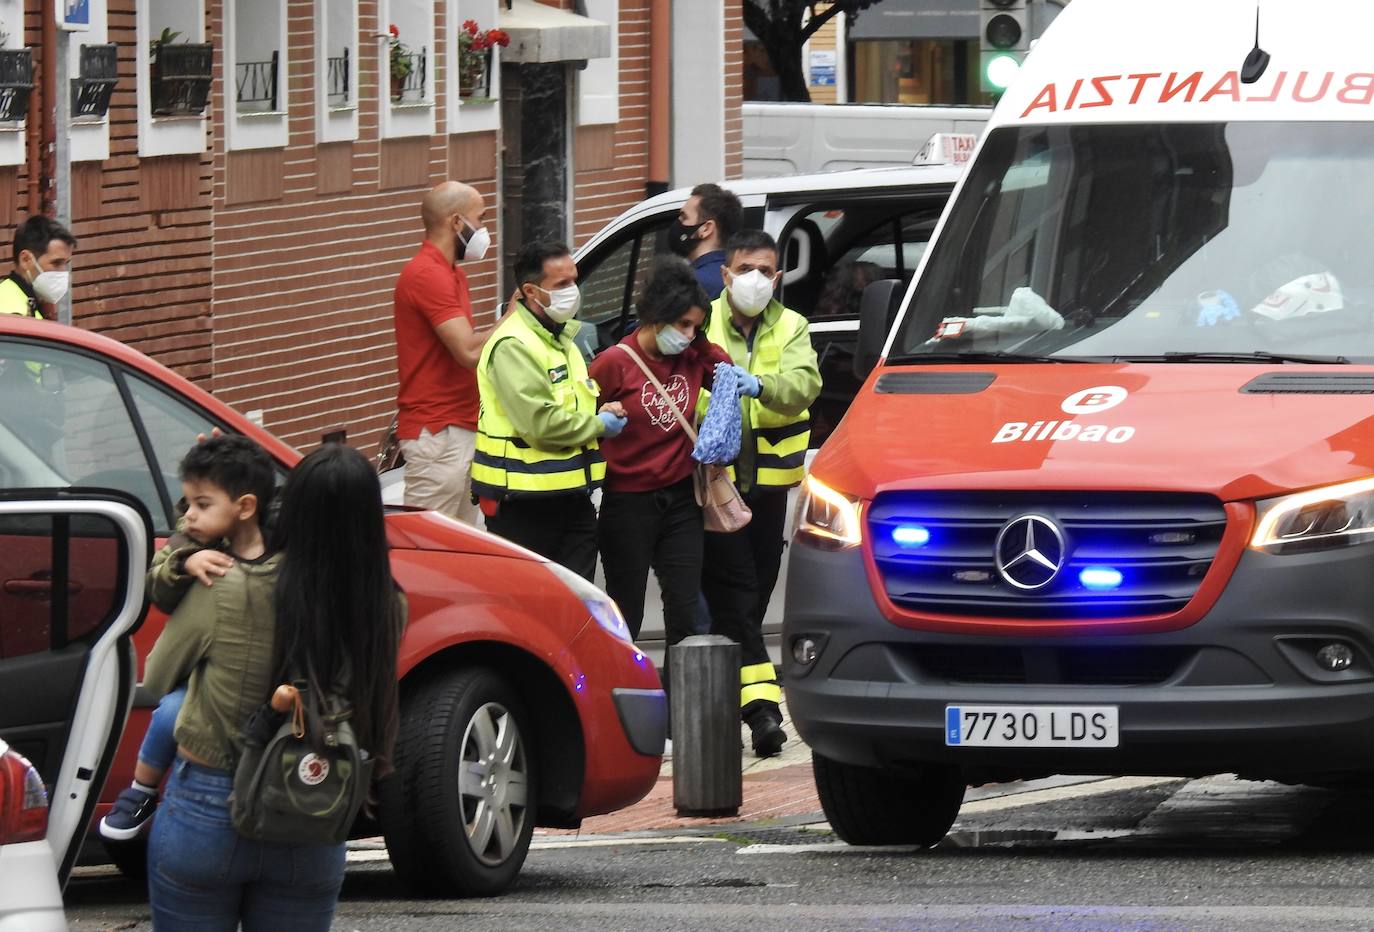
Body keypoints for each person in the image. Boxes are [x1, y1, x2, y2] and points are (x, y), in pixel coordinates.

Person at [144, 443, 405, 930]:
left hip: (210, 805)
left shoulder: (227, 581)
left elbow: (157, 678)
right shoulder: (384, 604)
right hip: (312, 804)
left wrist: (187, 547)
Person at [98, 435, 273, 841]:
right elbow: (158, 585)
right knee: (170, 710)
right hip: (194, 675)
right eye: (188, 504)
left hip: (242, 687)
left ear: (246, 506)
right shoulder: (195, 542)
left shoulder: (275, 555)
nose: (189, 515)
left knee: (173, 711)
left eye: (202, 504)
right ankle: (141, 792)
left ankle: (144, 790)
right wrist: (184, 561)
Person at [701, 230, 822, 758]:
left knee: (748, 598)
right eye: (745, 268)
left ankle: (741, 704)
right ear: (726, 274)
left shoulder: (792, 326)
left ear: (778, 277)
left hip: (770, 485)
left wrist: (761, 386)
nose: (756, 279)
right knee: (739, 596)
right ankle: (764, 712)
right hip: (718, 485)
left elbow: (805, 384)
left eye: (766, 271)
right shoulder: (702, 321)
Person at [588, 256, 732, 654]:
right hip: (628, 502)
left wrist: (701, 345)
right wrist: (602, 418)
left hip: (682, 499)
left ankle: (679, 709)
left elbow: (726, 376)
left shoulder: (691, 356)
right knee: (626, 614)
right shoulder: (615, 362)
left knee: (685, 613)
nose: (688, 334)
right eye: (683, 324)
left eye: (696, 326)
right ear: (656, 315)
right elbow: (584, 418)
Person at [472, 242, 626, 581]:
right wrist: (598, 424)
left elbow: (568, 404)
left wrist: (601, 409)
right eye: (561, 285)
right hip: (523, 507)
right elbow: (540, 423)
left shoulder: (562, 340)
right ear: (531, 291)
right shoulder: (513, 344)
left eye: (574, 280)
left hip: (570, 499)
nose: (572, 290)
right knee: (530, 612)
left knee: (577, 609)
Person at [393, 180, 498, 525]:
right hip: (438, 433)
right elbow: (468, 352)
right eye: (479, 219)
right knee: (428, 546)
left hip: (459, 427)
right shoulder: (426, 274)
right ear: (456, 222)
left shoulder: (452, 275)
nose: (483, 229)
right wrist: (514, 316)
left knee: (463, 552)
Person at [669, 183, 743, 301]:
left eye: (684, 217)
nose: (678, 222)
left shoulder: (692, 283)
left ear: (706, 228)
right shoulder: (737, 275)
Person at [0, 215, 75, 319]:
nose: (63, 272)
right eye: (56, 263)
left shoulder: (19, 297)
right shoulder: (14, 315)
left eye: (66, 263)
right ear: (25, 259)